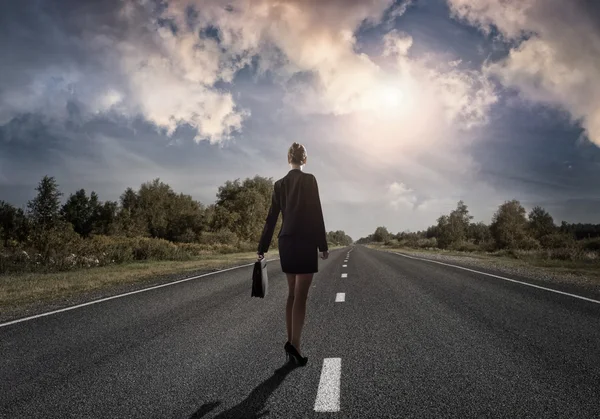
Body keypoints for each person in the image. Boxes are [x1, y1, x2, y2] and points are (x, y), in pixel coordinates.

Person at [257, 142, 329, 366]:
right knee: (301, 296)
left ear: (288, 159)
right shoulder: (310, 180)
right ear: (304, 160)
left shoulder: (279, 185)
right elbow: (316, 212)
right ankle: (295, 344)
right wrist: (322, 245)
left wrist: (262, 247)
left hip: (286, 241)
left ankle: (291, 342)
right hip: (305, 240)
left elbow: (271, 218)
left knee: (291, 294)